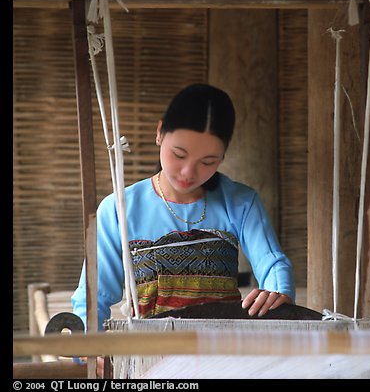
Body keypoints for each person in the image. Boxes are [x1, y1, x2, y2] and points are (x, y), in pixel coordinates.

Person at [71, 83, 296, 331]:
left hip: (225, 351)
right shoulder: (119, 209)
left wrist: (277, 294)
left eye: (208, 161)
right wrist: (90, 346)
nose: (189, 172)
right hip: (149, 356)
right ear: (159, 133)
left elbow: (272, 263)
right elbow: (93, 296)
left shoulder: (241, 202)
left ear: (222, 156)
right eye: (179, 154)